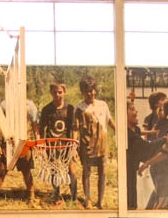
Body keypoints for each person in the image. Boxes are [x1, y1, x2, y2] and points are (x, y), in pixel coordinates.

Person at [74, 76, 115, 209]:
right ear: (82, 92)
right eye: (87, 91)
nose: (90, 94)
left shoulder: (103, 105)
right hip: (87, 143)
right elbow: (75, 129)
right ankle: (87, 199)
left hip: (102, 142)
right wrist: (74, 146)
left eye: (92, 90)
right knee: (87, 171)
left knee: (103, 171)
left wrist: (120, 133)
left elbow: (110, 121)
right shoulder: (79, 108)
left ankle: (100, 200)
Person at [39, 82, 79, 208]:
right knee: (54, 170)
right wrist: (42, 146)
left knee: (71, 170)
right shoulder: (47, 109)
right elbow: (41, 129)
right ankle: (57, 196)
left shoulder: (70, 109)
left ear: (64, 92)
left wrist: (74, 146)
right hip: (52, 146)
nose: (57, 95)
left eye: (60, 92)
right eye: (55, 92)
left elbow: (75, 129)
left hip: (66, 145)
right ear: (51, 92)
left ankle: (74, 198)